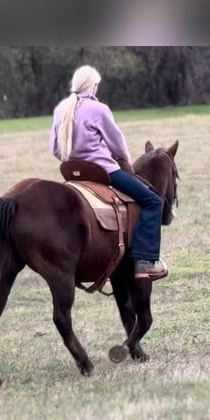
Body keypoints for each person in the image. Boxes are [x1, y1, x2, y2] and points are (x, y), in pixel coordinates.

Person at [49, 65, 168, 280]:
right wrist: (125, 162)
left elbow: (55, 149)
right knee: (152, 201)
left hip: (72, 173)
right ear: (94, 86)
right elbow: (118, 145)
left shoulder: (61, 109)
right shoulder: (99, 109)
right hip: (103, 172)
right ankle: (144, 262)